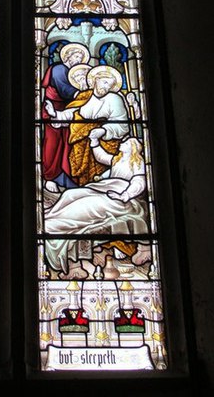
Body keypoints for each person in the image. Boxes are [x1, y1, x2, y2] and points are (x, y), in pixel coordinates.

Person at [44, 135, 151, 280]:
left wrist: (125, 195)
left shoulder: (138, 163)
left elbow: (139, 182)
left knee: (86, 204)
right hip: (106, 188)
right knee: (71, 194)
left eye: (126, 143)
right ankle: (50, 216)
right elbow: (102, 157)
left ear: (132, 148)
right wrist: (94, 142)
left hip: (121, 199)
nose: (122, 143)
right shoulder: (118, 159)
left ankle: (54, 224)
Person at [45, 65, 130, 186]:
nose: (106, 87)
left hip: (104, 144)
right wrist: (56, 114)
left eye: (110, 85)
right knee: (83, 179)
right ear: (95, 79)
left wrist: (104, 131)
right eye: (105, 82)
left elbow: (122, 125)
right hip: (81, 144)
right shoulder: (85, 96)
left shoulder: (115, 99)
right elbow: (75, 113)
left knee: (101, 179)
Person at [41, 43, 91, 193]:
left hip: (69, 112)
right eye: (77, 56)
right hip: (52, 110)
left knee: (68, 145)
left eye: (81, 57)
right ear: (68, 56)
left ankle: (68, 179)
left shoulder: (75, 73)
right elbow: (64, 89)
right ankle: (49, 177)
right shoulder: (58, 69)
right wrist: (79, 94)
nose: (79, 59)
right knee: (53, 144)